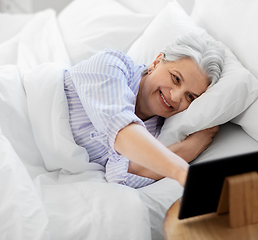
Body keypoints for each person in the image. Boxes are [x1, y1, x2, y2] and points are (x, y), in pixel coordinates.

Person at [64, 33, 225, 188]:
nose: (175, 97)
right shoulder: (111, 65)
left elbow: (119, 176)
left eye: (190, 97)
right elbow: (121, 132)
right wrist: (183, 167)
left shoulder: (156, 133)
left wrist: (191, 148)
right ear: (156, 62)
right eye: (175, 78)